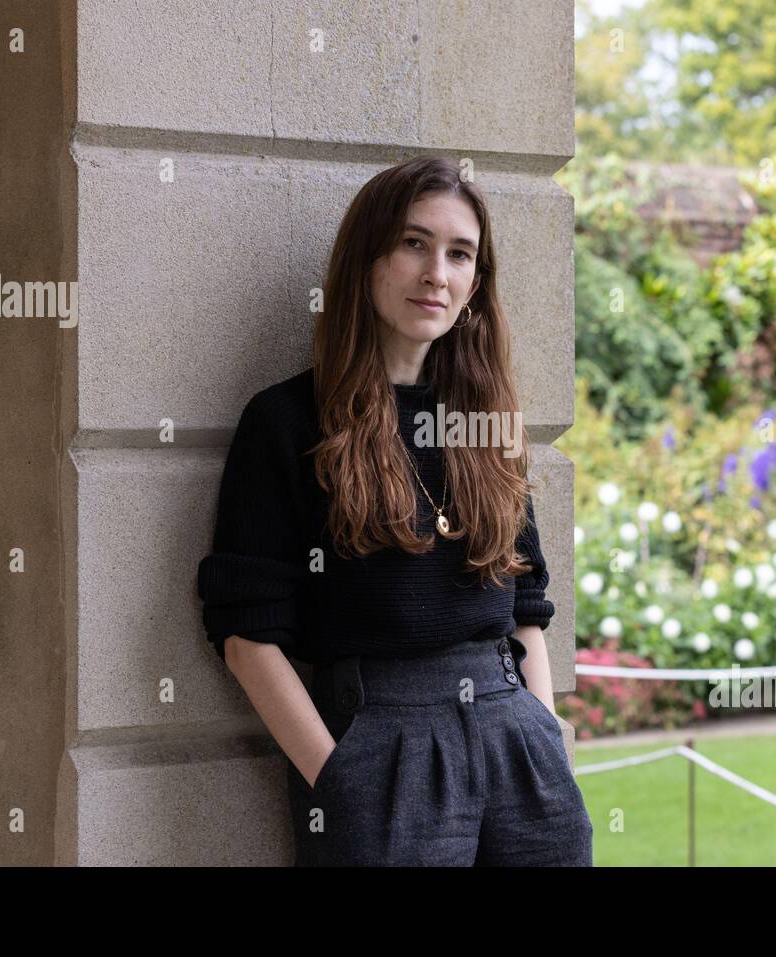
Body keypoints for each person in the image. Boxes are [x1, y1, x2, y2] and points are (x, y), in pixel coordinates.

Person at [196, 155, 593, 866]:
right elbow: (245, 633)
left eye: (459, 253)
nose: (436, 272)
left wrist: (546, 730)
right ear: (366, 257)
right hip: (383, 745)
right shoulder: (287, 421)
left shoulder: (487, 425)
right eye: (414, 243)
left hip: (518, 743)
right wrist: (339, 775)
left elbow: (527, 601)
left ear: (476, 284)